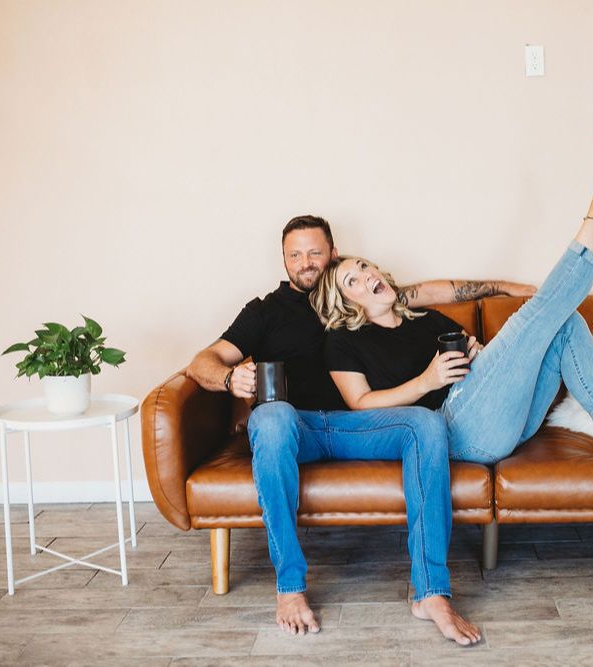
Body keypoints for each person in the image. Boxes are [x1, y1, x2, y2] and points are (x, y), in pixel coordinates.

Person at [184, 215, 534, 645]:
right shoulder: (264, 311)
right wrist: (228, 378)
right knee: (272, 418)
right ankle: (290, 587)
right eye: (295, 255)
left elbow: (431, 291)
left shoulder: (358, 294)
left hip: (358, 424)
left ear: (332, 254)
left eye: (315, 252)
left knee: (426, 423)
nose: (305, 263)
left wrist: (505, 287)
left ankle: (432, 593)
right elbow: (201, 362)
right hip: (296, 426)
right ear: (284, 259)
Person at [312, 137, 593, 464]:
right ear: (346, 303)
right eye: (352, 280)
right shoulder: (344, 341)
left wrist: (477, 352)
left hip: (502, 416)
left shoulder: (426, 319)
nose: (367, 275)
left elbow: (482, 359)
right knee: (538, 313)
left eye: (364, 266)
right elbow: (360, 404)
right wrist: (427, 380)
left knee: (564, 323)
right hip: (454, 432)